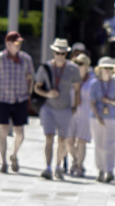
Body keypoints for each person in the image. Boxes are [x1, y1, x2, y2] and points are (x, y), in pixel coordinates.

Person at [0, 31, 34, 174]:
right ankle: (3, 161)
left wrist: (29, 94)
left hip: (20, 99)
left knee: (20, 133)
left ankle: (14, 155)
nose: (19, 46)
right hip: (3, 99)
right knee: (3, 129)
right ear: (8, 44)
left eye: (20, 43)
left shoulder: (26, 59)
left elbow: (30, 77)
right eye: (16, 43)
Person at [34, 38, 82, 180]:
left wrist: (75, 107)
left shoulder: (73, 68)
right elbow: (36, 87)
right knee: (49, 137)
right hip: (48, 108)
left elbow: (77, 89)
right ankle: (47, 167)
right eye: (57, 52)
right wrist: (48, 94)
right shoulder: (45, 67)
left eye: (62, 53)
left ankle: (58, 166)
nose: (60, 56)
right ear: (53, 52)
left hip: (65, 109)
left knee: (62, 140)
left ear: (66, 54)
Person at [90, 57, 115, 183]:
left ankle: (110, 170)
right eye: (105, 68)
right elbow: (92, 102)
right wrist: (98, 117)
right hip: (96, 117)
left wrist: (109, 101)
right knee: (99, 144)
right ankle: (100, 170)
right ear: (100, 70)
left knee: (110, 144)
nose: (107, 71)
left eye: (110, 68)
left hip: (112, 117)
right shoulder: (94, 83)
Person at [68, 51, 97, 177]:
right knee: (68, 140)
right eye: (76, 63)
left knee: (81, 141)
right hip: (70, 111)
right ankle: (75, 159)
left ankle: (80, 166)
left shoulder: (92, 80)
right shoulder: (70, 76)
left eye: (80, 63)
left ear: (86, 65)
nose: (78, 65)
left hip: (85, 111)